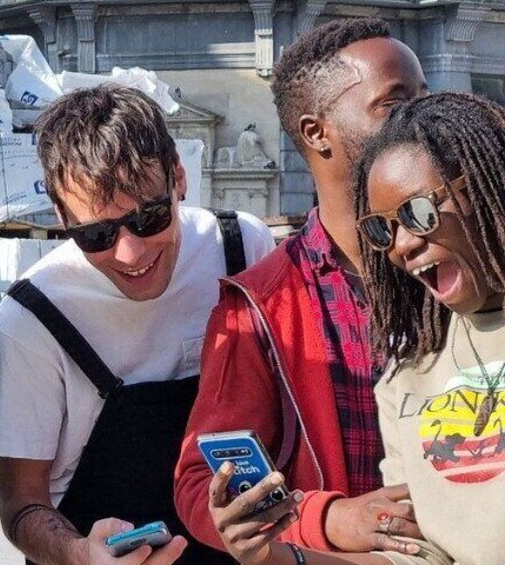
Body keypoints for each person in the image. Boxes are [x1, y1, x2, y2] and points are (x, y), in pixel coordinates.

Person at [173, 17, 429, 563]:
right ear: (316, 132)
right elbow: (201, 484)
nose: (422, 118)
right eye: (394, 103)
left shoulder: (467, 265)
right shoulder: (260, 304)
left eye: (424, 97)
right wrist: (328, 517)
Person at [0, 84, 276, 564]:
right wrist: (79, 553)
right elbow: (21, 506)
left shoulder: (241, 247)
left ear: (179, 177)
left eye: (149, 218)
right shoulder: (31, 318)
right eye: (96, 234)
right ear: (60, 215)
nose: (130, 253)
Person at [352, 91, 505, 564]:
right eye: (381, 229)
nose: (401, 245)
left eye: (418, 213)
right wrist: (280, 556)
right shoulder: (407, 377)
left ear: (486, 188)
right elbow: (420, 554)